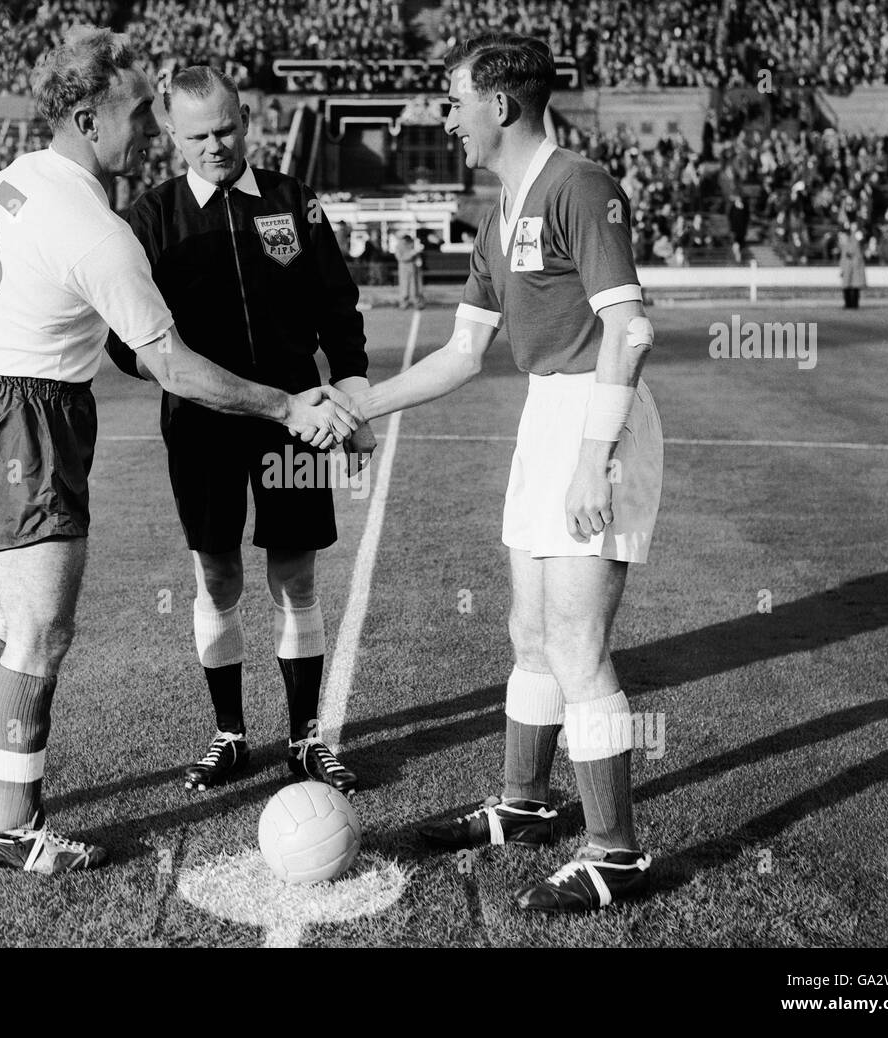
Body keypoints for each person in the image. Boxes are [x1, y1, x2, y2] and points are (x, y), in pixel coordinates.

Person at [0, 28, 360, 876]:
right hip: (27, 425)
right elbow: (167, 362)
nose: (147, 130)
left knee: (8, 614)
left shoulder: (17, 177)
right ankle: (12, 827)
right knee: (40, 631)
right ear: (84, 116)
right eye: (139, 113)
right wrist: (287, 403)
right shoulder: (102, 228)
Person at [352, 33, 663, 913]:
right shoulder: (500, 212)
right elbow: (460, 354)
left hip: (594, 419)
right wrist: (359, 409)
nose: (445, 119)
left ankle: (617, 854)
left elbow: (629, 331)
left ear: (499, 104)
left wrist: (592, 463)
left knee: (576, 646)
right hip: (545, 416)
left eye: (453, 102)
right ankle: (526, 804)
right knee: (531, 636)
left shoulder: (580, 185)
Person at [105, 66, 372, 795]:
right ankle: (229, 736)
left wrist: (352, 398)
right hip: (200, 429)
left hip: (298, 425)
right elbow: (122, 342)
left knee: (295, 573)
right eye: (197, 136)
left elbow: (339, 307)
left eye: (225, 129)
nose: (214, 146)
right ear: (169, 133)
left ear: (247, 118)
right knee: (216, 573)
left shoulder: (293, 200)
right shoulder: (149, 219)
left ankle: (307, 738)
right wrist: (177, 379)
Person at [393, 231, 424, 309]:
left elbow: (416, 255)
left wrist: (418, 259)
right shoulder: (399, 246)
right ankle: (404, 303)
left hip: (413, 268)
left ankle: (417, 302)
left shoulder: (411, 244)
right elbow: (400, 257)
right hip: (404, 268)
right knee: (404, 286)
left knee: (415, 286)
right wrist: (412, 253)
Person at [838, 224, 865, 308]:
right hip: (849, 268)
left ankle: (852, 304)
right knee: (848, 287)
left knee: (852, 287)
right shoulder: (845, 245)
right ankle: (850, 304)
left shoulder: (852, 243)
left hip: (853, 268)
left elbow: (854, 256)